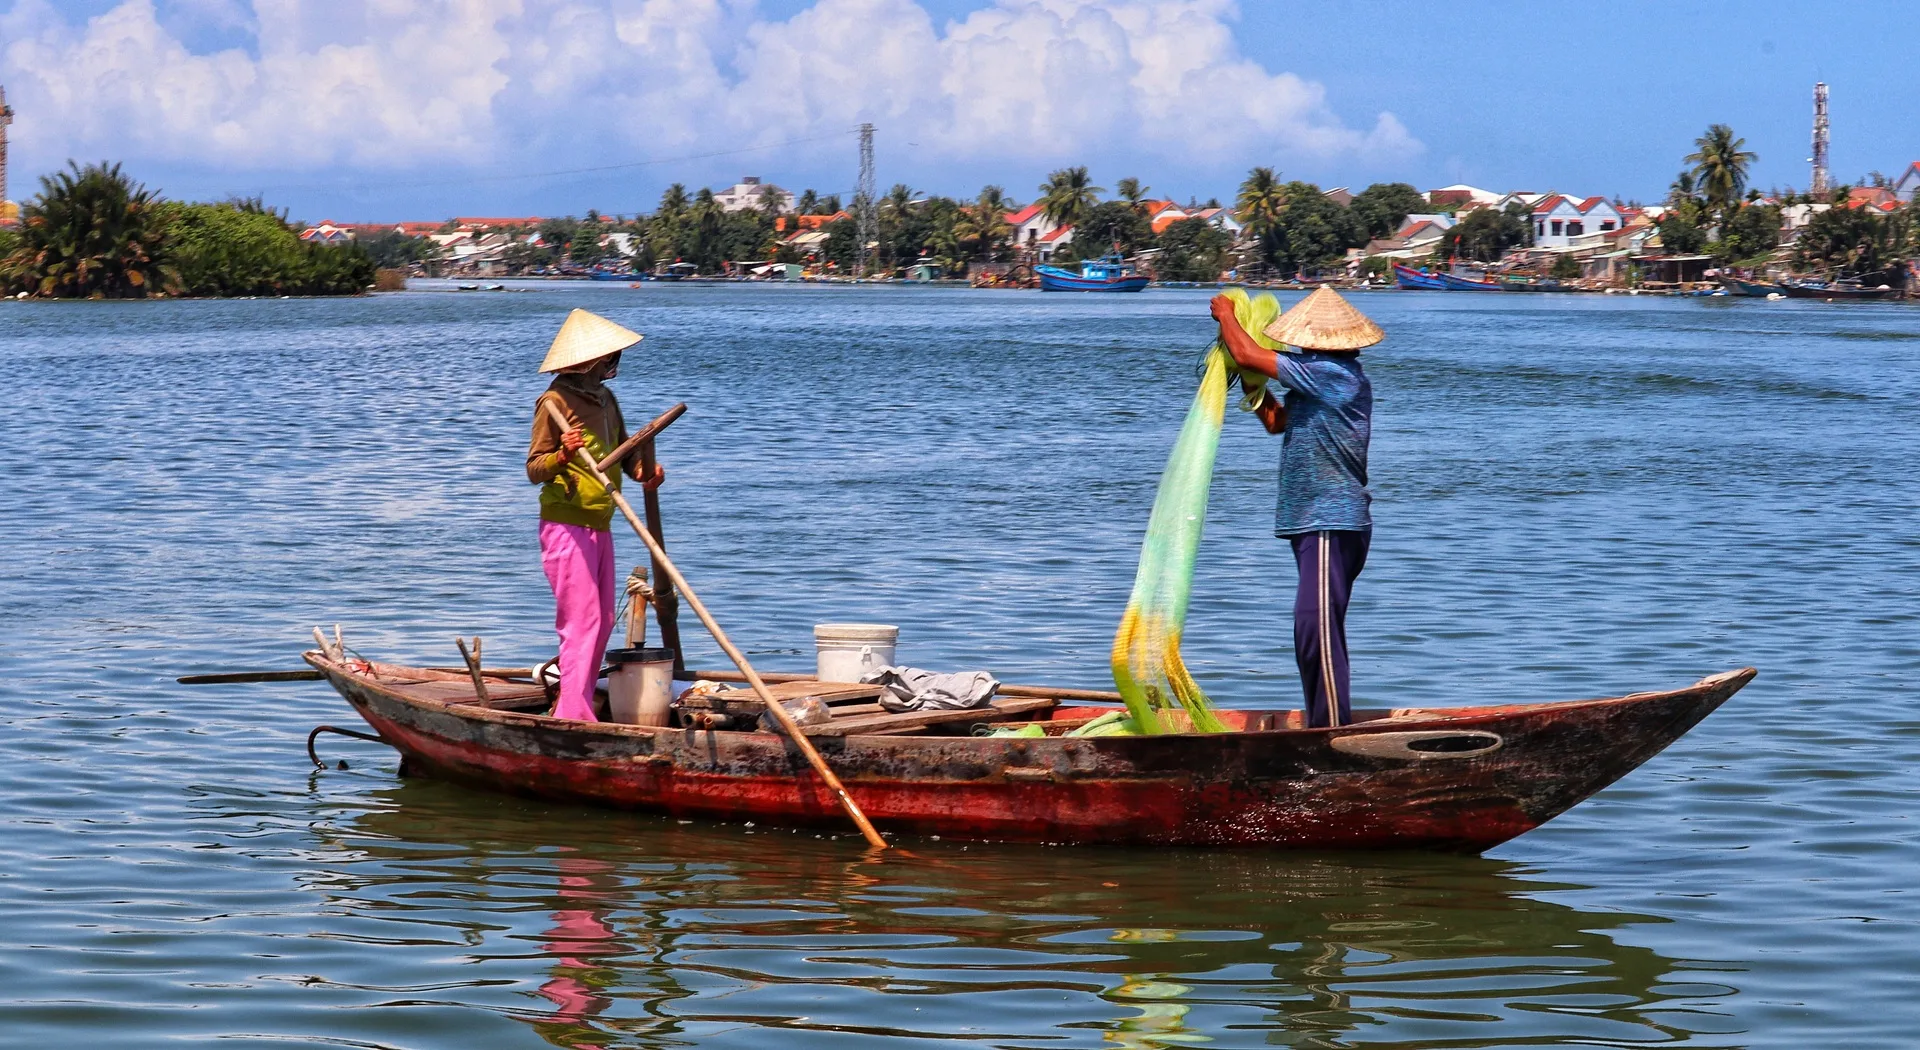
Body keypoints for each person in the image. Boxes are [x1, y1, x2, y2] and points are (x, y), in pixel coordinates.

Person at [1209, 287, 1383, 728]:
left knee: (1316, 630)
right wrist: (1254, 391)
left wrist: (1227, 313)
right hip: (1311, 521)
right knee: (1311, 629)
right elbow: (1275, 421)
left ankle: (1329, 732)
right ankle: (1323, 721)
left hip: (1332, 520)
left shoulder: (1334, 373)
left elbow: (1247, 352)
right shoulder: (1313, 379)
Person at [526, 308, 665, 722]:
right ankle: (572, 713)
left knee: (602, 620)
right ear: (588, 360)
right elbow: (535, 468)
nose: (613, 364)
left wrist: (645, 472)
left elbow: (624, 456)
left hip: (600, 521)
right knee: (581, 621)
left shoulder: (605, 399)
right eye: (609, 357)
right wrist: (563, 453)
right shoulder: (553, 402)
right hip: (566, 523)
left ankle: (578, 702)